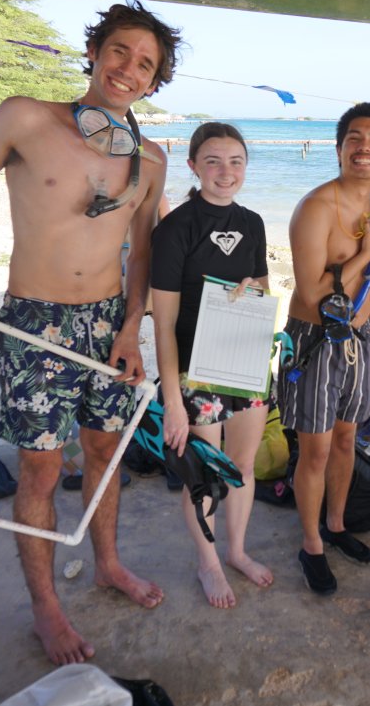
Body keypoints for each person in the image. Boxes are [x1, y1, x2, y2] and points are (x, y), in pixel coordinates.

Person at [0, 1, 180, 665]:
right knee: (41, 467)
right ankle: (46, 607)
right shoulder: (26, 117)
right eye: (121, 51)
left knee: (106, 453)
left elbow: (144, 252)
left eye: (146, 64)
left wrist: (133, 327)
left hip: (107, 325)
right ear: (95, 50)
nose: (130, 69)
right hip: (35, 320)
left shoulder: (151, 160)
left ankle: (107, 562)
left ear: (156, 82)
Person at [150, 122, 273, 608]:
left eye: (236, 162)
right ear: (193, 166)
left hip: (243, 359)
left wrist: (253, 290)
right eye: (214, 161)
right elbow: (163, 324)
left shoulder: (254, 222)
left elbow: (262, 285)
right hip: (194, 368)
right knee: (206, 471)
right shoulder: (176, 228)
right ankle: (208, 562)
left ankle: (237, 550)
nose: (226, 172)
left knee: (242, 464)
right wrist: (175, 403)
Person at [277, 103, 370, 595]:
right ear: (340, 147)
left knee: (348, 441)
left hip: (361, 344)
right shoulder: (316, 208)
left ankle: (337, 524)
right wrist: (368, 251)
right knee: (315, 450)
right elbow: (312, 294)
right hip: (314, 343)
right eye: (353, 137)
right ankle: (311, 544)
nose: (363, 147)